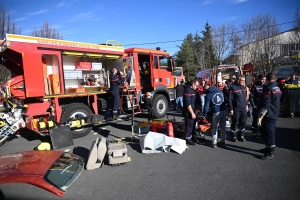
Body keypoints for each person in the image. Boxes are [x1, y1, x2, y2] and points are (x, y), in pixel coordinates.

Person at [257, 72, 282, 160]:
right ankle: (268, 148)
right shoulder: (277, 87)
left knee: (269, 133)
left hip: (268, 114)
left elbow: (266, 103)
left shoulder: (268, 88)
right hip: (274, 112)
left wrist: (261, 115)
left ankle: (270, 152)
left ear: (267, 79)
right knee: (270, 132)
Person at [228, 76, 248, 142]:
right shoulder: (233, 88)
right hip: (236, 108)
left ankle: (241, 135)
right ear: (238, 80)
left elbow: (245, 98)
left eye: (244, 80)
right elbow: (230, 99)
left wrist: (246, 105)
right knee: (235, 121)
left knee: (243, 122)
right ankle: (233, 135)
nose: (243, 82)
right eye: (242, 80)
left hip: (243, 108)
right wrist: (231, 109)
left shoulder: (243, 88)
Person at [183, 79, 200, 145]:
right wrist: (192, 113)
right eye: (196, 85)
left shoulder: (193, 91)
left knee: (193, 125)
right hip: (189, 111)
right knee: (189, 125)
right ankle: (187, 138)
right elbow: (188, 103)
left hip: (194, 110)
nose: (197, 87)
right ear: (192, 84)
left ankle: (192, 136)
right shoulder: (188, 90)